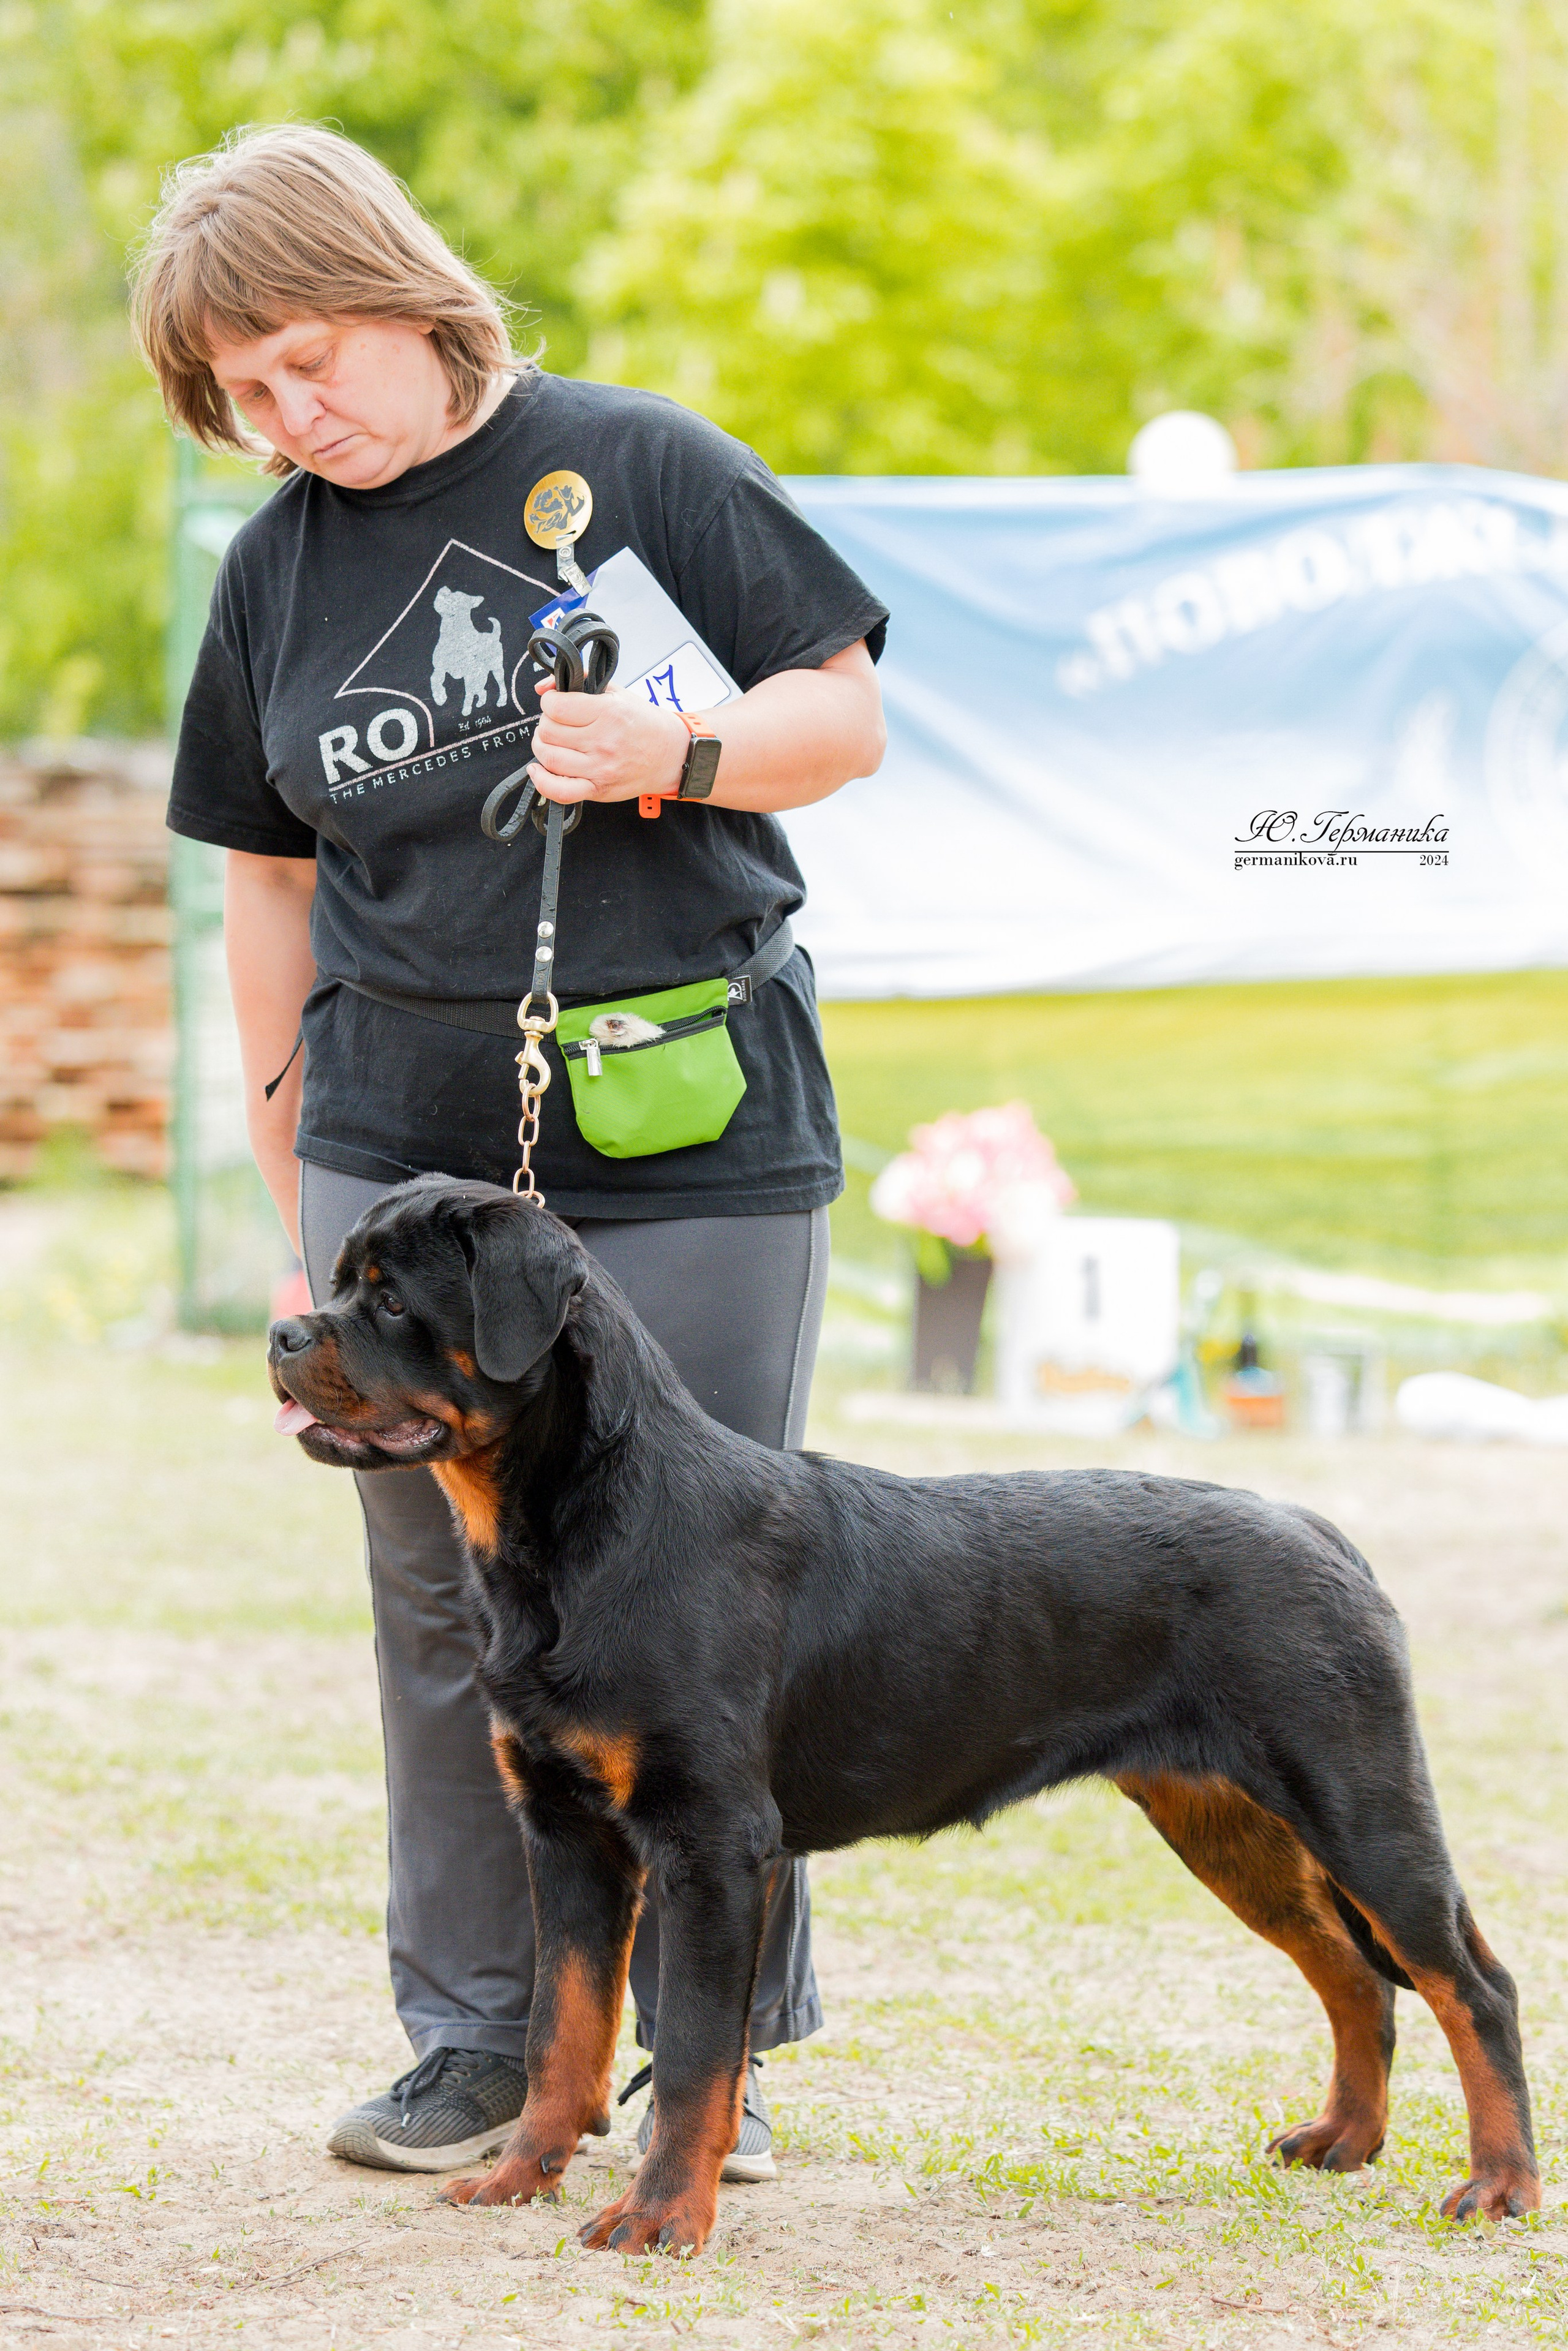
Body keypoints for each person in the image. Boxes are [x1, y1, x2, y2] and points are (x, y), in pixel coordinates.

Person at [132, 124, 888, 2181]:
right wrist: (304, 1189)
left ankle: (710, 2056)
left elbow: (845, 715)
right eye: (245, 399)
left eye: (308, 362)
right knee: (443, 1601)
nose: (294, 420)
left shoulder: (635, 465)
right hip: (399, 1135)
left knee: (717, 1589)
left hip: (686, 1121)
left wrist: (683, 750)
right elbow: (264, 886)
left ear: (400, 286)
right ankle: (472, 2041)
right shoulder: (275, 564)